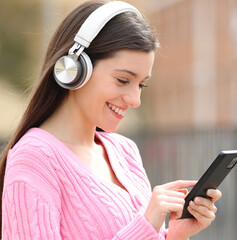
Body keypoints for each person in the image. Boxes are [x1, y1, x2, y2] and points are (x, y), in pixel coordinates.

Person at [0, 0, 222, 239]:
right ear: (74, 69)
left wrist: (175, 235)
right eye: (123, 80)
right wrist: (146, 224)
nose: (135, 100)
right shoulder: (34, 158)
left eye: (142, 85)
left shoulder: (125, 151)